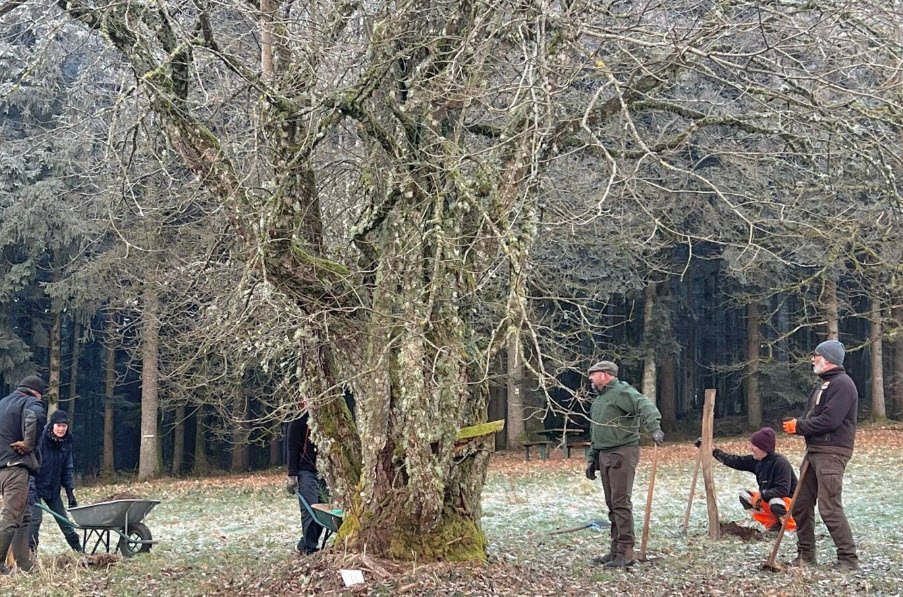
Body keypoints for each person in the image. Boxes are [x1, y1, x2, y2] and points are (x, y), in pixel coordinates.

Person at [782, 339, 858, 570]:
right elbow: (817, 416)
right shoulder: (824, 383)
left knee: (829, 507)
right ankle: (806, 557)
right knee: (801, 503)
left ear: (828, 359)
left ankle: (848, 559)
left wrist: (800, 427)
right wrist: (799, 425)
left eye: (816, 355)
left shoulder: (843, 384)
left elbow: (830, 420)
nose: (813, 358)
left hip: (832, 453)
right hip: (815, 451)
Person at [584, 360, 664, 568]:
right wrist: (592, 459)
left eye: (594, 374)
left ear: (606, 374)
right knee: (612, 504)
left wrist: (654, 427)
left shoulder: (621, 391)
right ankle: (615, 550)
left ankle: (626, 551)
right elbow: (597, 432)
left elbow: (643, 405)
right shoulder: (601, 400)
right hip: (605, 455)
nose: (590, 378)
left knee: (620, 503)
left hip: (622, 452)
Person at [709, 427, 797, 533]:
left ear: (763, 448)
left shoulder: (780, 463)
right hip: (768, 498)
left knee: (775, 501)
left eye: (753, 445)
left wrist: (762, 494)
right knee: (745, 496)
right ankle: (773, 526)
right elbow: (735, 461)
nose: (750, 448)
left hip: (790, 503)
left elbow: (783, 490)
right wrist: (714, 452)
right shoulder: (756, 460)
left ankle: (792, 527)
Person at [0, 375, 47, 573]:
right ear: (36, 392)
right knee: (11, 517)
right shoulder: (30, 402)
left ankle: (24, 563)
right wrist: (28, 444)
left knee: (24, 516)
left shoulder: (2, 403)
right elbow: (34, 417)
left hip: (1, 466)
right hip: (15, 468)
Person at [29, 409, 82, 553]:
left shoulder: (66, 443)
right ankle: (30, 556)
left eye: (64, 426)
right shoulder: (40, 440)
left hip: (52, 490)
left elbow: (67, 469)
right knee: (35, 521)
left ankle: (79, 551)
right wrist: (31, 489)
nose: (61, 429)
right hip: (35, 489)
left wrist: (70, 492)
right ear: (52, 425)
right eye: (58, 425)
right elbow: (30, 466)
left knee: (65, 522)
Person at [285, 410, 326, 555]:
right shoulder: (300, 417)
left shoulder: (329, 415)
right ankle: (310, 548)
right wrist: (292, 475)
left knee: (325, 511)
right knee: (311, 509)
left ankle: (305, 543)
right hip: (305, 470)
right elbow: (292, 446)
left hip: (324, 470)